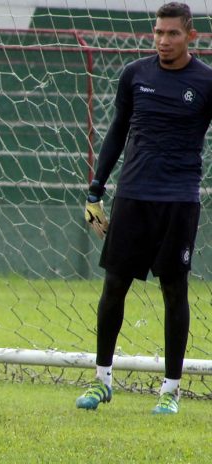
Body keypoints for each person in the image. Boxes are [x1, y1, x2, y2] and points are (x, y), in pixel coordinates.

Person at [80, 2, 212, 415]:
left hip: (179, 200)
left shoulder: (206, 82)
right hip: (132, 196)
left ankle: (170, 390)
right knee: (114, 285)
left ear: (191, 36)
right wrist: (95, 192)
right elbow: (117, 131)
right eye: (157, 32)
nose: (162, 41)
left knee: (174, 290)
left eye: (172, 33)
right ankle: (102, 381)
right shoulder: (135, 75)